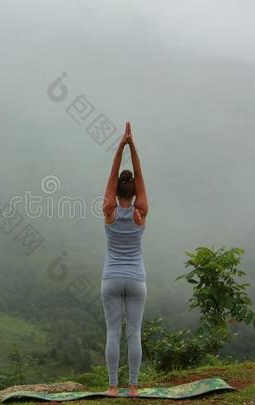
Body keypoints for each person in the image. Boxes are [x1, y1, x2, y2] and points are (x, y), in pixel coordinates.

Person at [100, 122, 148, 397]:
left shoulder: (109, 210)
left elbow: (112, 174)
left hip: (111, 279)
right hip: (136, 279)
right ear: (134, 193)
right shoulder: (142, 210)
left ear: (117, 193)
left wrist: (121, 146)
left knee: (112, 333)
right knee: (134, 333)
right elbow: (140, 176)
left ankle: (112, 387)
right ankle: (132, 387)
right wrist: (134, 148)